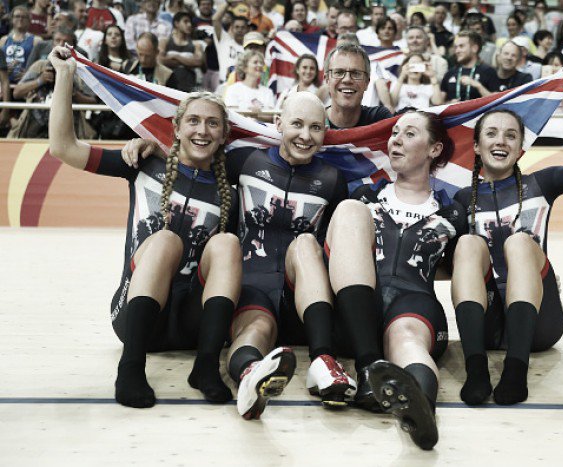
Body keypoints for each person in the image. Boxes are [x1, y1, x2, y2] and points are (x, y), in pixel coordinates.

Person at [122, 92, 358, 419]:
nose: (305, 135)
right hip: (251, 291)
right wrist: (153, 146)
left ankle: (324, 361)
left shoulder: (334, 180)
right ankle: (249, 375)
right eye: (297, 124)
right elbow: (198, 156)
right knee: (254, 330)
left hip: (304, 298)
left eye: (316, 127)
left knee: (306, 243)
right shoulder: (246, 161)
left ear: (325, 132)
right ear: (278, 124)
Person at [48, 45, 241, 409]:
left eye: (213, 123)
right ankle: (131, 368)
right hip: (137, 320)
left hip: (192, 323)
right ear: (177, 129)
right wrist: (64, 77)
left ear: (223, 134)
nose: (203, 130)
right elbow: (62, 147)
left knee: (227, 243)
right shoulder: (141, 162)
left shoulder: (232, 186)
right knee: (166, 240)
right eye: (194, 121)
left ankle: (205, 367)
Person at [451, 70, 563, 407]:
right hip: (486, 320)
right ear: (478, 148)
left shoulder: (542, 183)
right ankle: (476, 370)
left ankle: (516, 370)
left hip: (540, 325)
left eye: (511, 136)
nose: (501, 141)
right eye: (492, 134)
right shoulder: (458, 199)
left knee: (519, 241)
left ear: (521, 149)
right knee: (467, 244)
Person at [329, 111, 466, 450]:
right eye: (394, 133)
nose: (396, 139)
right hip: (360, 303)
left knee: (406, 339)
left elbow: (461, 267)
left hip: (414, 303)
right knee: (346, 208)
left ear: (434, 150)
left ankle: (421, 413)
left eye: (409, 133)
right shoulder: (363, 197)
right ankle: (369, 368)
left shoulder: (452, 212)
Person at [324, 43, 392, 129]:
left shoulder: (379, 119)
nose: (347, 79)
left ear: (367, 82)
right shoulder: (313, 122)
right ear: (327, 80)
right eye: (339, 72)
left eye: (356, 73)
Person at [437, 31, 497, 103]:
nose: (457, 51)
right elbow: (439, 104)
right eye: (456, 47)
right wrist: (449, 104)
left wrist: (478, 86)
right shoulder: (450, 73)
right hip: (456, 114)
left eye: (461, 46)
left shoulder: (489, 71)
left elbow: (496, 102)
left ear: (474, 48)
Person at [535, 52, 563, 146]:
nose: (552, 68)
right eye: (549, 65)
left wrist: (555, 87)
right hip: (539, 134)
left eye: (556, 65)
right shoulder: (536, 86)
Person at [221, 50, 275, 119]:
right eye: (255, 62)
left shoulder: (268, 92)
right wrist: (254, 114)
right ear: (244, 67)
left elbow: (271, 117)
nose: (260, 65)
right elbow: (231, 115)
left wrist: (256, 114)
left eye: (261, 63)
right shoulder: (233, 89)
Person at [159, 11, 204, 92]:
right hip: (167, 86)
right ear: (176, 23)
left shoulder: (196, 44)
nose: (189, 25)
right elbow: (160, 60)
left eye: (190, 22)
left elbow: (198, 62)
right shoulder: (165, 41)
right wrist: (188, 63)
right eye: (186, 21)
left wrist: (175, 56)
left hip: (188, 86)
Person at [0, 6, 42, 85]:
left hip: (26, 83)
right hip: (5, 83)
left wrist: (30, 74)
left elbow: (41, 64)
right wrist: (3, 70)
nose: (20, 19)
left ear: (29, 20)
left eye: (24, 17)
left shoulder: (37, 40)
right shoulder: (3, 40)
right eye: (17, 16)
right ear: (12, 19)